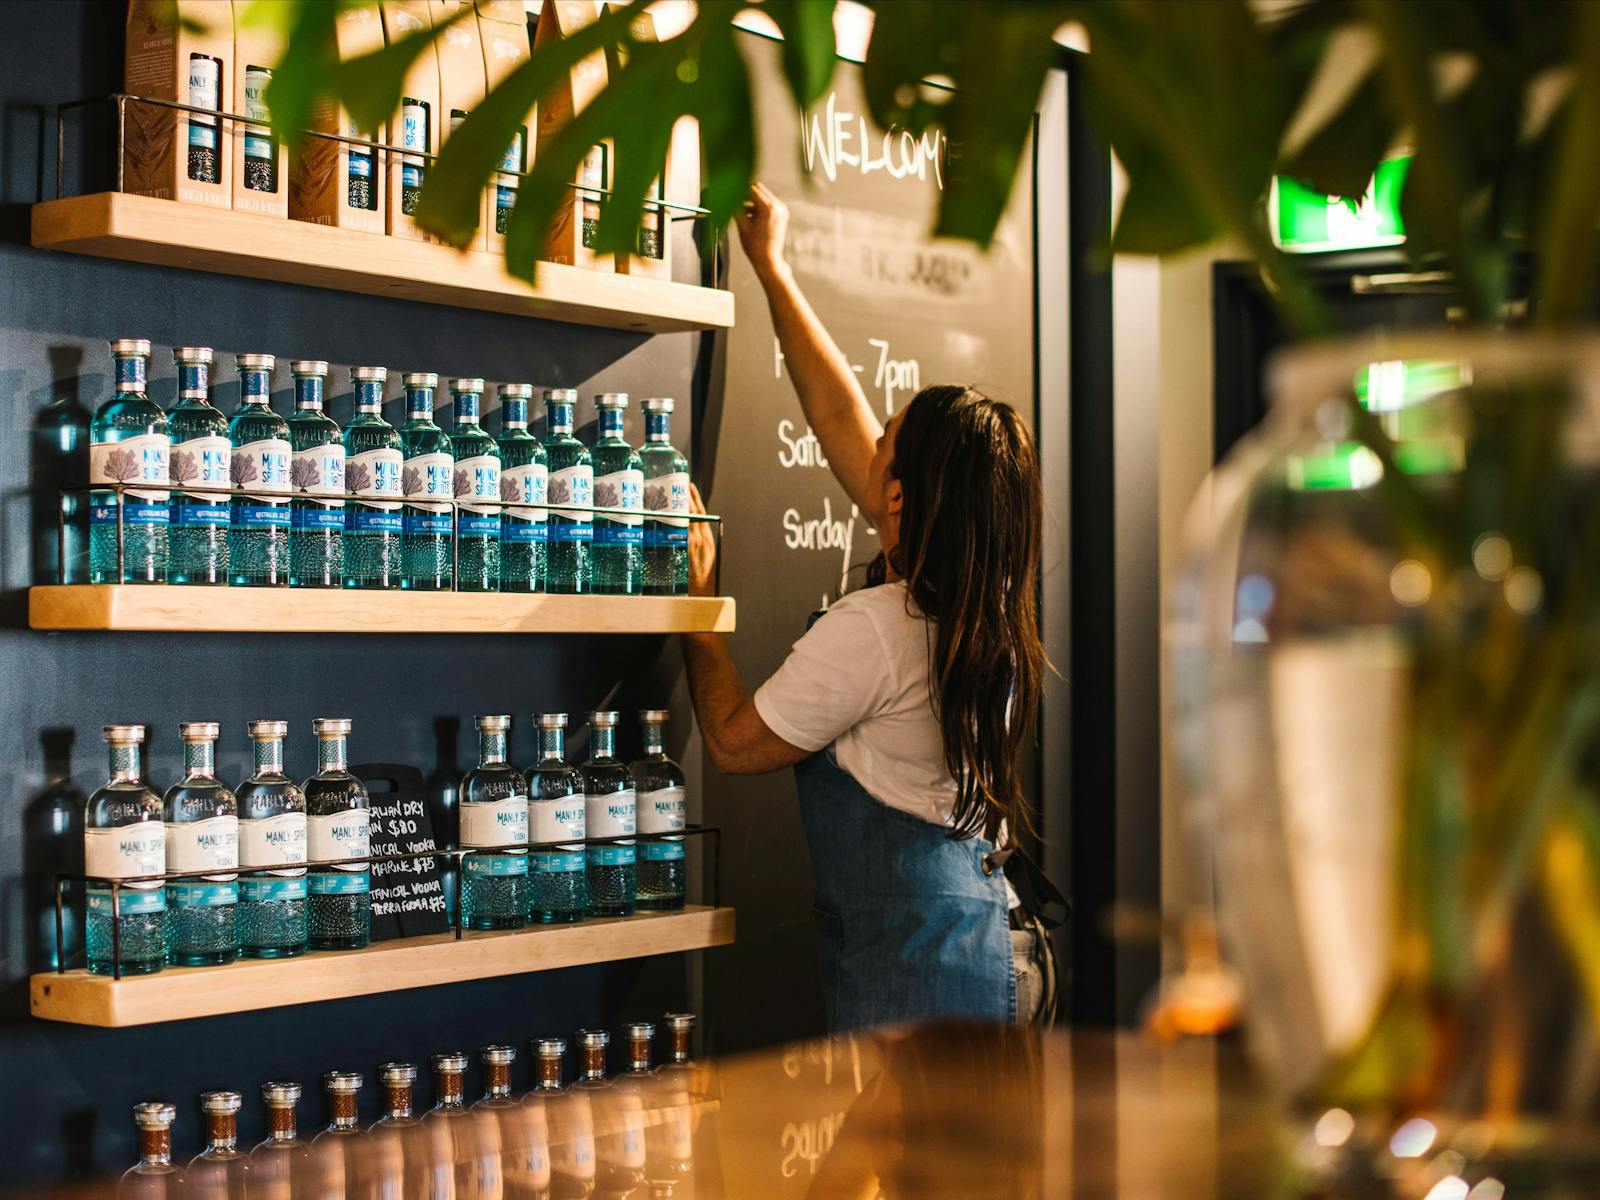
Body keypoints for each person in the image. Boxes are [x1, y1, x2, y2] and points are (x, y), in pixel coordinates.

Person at [681, 183, 1045, 1031]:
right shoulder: (980, 599)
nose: (870, 443)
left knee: (925, 1131)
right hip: (989, 940)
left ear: (902, 497)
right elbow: (838, 413)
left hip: (927, 972)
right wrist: (772, 268)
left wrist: (699, 610)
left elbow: (733, 742)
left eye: (887, 444)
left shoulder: (881, 627)